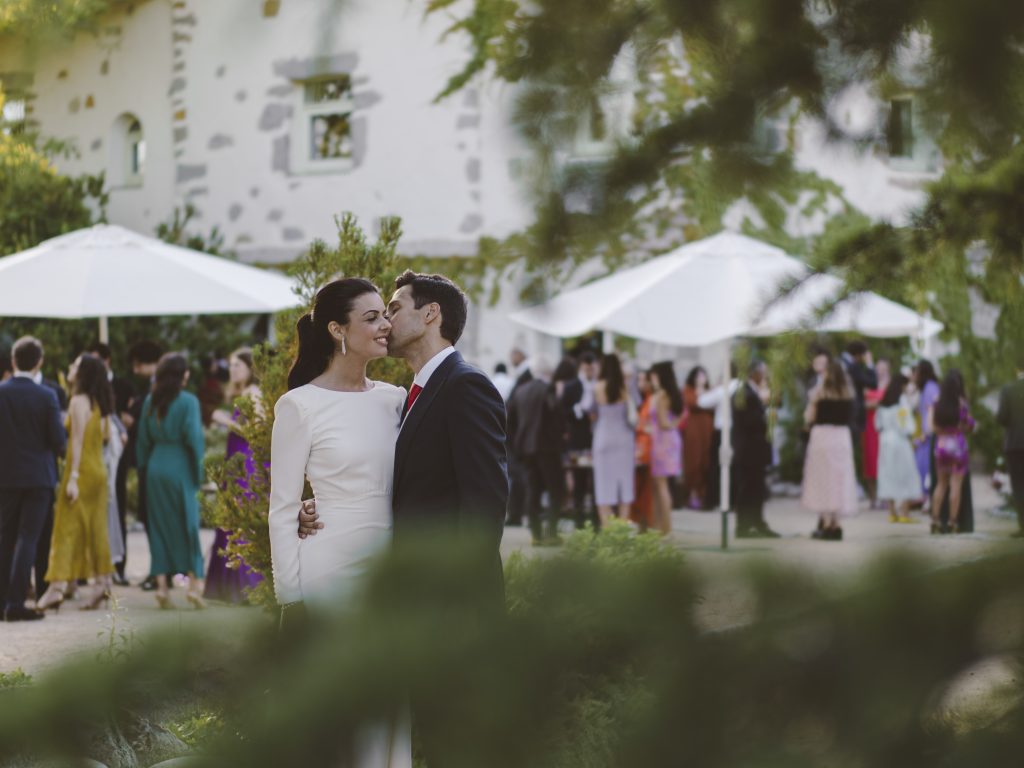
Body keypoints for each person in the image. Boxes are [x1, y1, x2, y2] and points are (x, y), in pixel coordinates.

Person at [38, 353, 116, 612]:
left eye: (75, 365)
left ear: (82, 373)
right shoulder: (101, 403)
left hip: (80, 471)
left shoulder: (77, 401)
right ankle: (102, 584)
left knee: (65, 529)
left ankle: (56, 587)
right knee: (96, 529)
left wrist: (71, 477)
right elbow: (104, 438)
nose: (70, 367)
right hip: (98, 472)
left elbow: (77, 441)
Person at [0, 338, 66, 621]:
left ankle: (3, 599)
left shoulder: (1, 393)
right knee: (29, 537)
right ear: (39, 362)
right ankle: (15, 603)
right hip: (39, 476)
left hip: (6, 475)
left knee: (5, 537)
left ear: (13, 361)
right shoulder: (47, 395)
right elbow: (58, 441)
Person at [137, 353, 207, 609]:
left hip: (156, 465)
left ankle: (162, 588)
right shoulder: (189, 402)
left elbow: (142, 441)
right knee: (188, 525)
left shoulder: (150, 402)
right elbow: (194, 440)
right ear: (182, 375)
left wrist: (144, 470)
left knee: (159, 527)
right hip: (180, 467)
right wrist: (200, 473)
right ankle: (194, 585)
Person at [205, 347, 265, 603]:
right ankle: (229, 588)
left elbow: (257, 429)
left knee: (241, 520)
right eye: (230, 365)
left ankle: (247, 588)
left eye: (237, 365)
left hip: (246, 465)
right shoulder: (241, 393)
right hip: (235, 463)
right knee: (231, 520)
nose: (232, 370)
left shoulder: (254, 393)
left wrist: (225, 420)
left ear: (250, 368)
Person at [89, 341, 135, 586]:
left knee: (117, 505)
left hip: (117, 457)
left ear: (106, 359)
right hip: (95, 454)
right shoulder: (87, 388)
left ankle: (119, 566)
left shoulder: (123, 384)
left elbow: (129, 414)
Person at [508, 361, 565, 545]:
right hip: (547, 447)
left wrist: (515, 444)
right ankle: (552, 533)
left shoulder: (520, 390)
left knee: (532, 490)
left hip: (525, 448)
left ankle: (536, 534)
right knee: (556, 490)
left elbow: (511, 419)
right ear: (549, 372)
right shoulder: (548, 389)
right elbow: (555, 415)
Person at [802, 359, 858, 540]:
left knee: (823, 479)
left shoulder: (819, 393)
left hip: (822, 436)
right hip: (842, 437)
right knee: (840, 479)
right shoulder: (848, 394)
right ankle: (837, 522)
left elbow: (809, 417)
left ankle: (826, 523)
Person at [123, 340, 163, 591]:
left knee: (153, 516)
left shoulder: (160, 388)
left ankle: (160, 572)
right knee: (151, 516)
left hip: (152, 458)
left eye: (138, 364)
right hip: (149, 458)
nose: (135, 370)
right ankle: (159, 571)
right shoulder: (153, 388)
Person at [731, 361, 779, 538]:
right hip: (750, 451)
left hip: (753, 451)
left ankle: (756, 522)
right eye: (763, 373)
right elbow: (751, 422)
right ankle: (745, 525)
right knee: (749, 489)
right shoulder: (746, 394)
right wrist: (767, 417)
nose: (765, 377)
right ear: (755, 374)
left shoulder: (749, 393)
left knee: (756, 488)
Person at [928, 370, 975, 534]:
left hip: (941, 446)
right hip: (958, 446)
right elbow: (969, 425)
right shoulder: (961, 404)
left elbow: (932, 427)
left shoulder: (936, 403)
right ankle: (952, 522)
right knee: (956, 485)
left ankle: (935, 521)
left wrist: (943, 431)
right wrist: (961, 427)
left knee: (941, 485)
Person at [591, 353, 635, 524]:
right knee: (625, 486)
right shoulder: (625, 387)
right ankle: (622, 529)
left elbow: (591, 411)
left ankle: (607, 529)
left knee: (603, 486)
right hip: (624, 439)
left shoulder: (597, 387)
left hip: (604, 437)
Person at [875, 374, 921, 523]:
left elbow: (877, 424)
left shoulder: (883, 403)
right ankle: (904, 512)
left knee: (888, 474)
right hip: (899, 442)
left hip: (885, 441)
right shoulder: (902, 402)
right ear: (902, 386)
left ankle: (891, 511)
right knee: (906, 475)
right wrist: (911, 431)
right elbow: (904, 425)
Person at [647, 361, 683, 535]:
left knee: (661, 486)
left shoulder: (661, 395)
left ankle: (664, 528)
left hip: (661, 441)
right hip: (669, 440)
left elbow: (663, 423)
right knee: (661, 485)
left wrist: (674, 423)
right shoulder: (671, 394)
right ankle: (661, 526)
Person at [697, 363, 740, 510]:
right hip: (736, 432)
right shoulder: (741, 388)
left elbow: (702, 402)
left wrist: (704, 388)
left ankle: (713, 500)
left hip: (722, 431)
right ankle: (733, 501)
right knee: (733, 467)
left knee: (717, 466)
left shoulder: (724, 389)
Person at [505, 347, 534, 527]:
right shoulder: (522, 376)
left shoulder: (525, 377)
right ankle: (517, 512)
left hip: (517, 436)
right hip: (517, 435)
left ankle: (518, 512)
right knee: (518, 477)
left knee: (519, 477)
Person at [996, 359, 1024, 538]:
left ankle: (1023, 525)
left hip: (1014, 444)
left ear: (1017, 369)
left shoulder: (1008, 390)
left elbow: (1001, 418)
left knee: (1019, 485)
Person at [682, 365, 713, 510]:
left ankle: (704, 495)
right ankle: (692, 494)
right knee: (693, 462)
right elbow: (694, 403)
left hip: (707, 431)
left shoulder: (710, 391)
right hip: (693, 432)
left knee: (705, 462)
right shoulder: (688, 391)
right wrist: (700, 393)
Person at [862, 358, 890, 509]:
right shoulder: (869, 384)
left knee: (883, 463)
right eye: (878, 368)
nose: (880, 370)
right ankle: (873, 498)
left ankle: (885, 496)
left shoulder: (889, 386)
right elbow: (864, 404)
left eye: (883, 368)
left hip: (883, 429)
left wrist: (874, 403)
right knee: (870, 463)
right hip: (869, 428)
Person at [913, 360, 941, 502]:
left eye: (916, 372)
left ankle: (928, 499)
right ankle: (925, 498)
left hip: (929, 437)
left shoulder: (931, 389)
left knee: (926, 468)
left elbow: (932, 411)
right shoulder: (927, 389)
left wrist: (925, 434)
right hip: (926, 437)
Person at [631, 369, 654, 531]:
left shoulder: (652, 400)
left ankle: (645, 521)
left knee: (644, 485)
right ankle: (641, 521)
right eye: (638, 380)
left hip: (646, 445)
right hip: (640, 443)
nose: (641, 384)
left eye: (643, 380)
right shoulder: (644, 400)